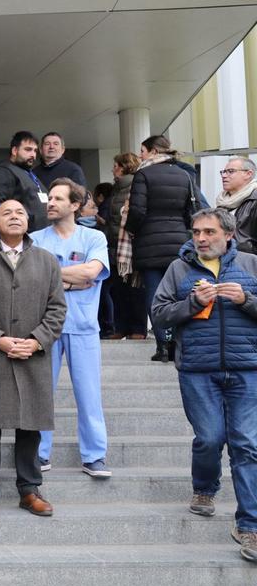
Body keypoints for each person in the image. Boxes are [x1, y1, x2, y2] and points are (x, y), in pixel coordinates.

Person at [151, 208, 257, 563]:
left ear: (228, 235)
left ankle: (249, 527)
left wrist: (247, 300)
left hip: (248, 368)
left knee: (246, 444)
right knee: (210, 438)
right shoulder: (179, 268)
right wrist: (194, 302)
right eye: (196, 232)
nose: (201, 238)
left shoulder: (250, 265)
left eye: (209, 232)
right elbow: (159, 313)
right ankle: (204, 488)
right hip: (197, 369)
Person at [0, 200, 66, 516]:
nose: (13, 217)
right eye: (6, 213)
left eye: (20, 212)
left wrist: (36, 342)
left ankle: (29, 488)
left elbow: (57, 309)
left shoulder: (47, 261)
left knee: (30, 424)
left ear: (28, 221)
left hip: (32, 355)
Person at [32, 179, 112, 478]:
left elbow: (93, 271)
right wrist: (68, 280)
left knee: (89, 394)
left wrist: (53, 277)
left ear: (75, 205)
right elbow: (31, 277)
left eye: (57, 198)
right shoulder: (36, 239)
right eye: (49, 198)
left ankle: (94, 456)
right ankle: (39, 453)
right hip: (44, 326)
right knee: (41, 393)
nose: (50, 203)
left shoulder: (94, 237)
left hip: (83, 325)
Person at [126, 135, 198, 362]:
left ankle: (163, 345)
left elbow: (137, 211)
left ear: (153, 152)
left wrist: (130, 230)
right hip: (178, 241)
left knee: (155, 294)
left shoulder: (143, 174)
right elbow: (191, 211)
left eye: (143, 151)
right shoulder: (184, 174)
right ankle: (177, 343)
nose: (140, 156)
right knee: (178, 293)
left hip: (149, 241)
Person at [106, 152, 147, 339]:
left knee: (131, 288)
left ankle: (135, 329)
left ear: (123, 167)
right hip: (119, 247)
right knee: (123, 289)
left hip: (126, 247)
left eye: (115, 166)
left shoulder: (131, 187)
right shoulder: (117, 189)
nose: (113, 169)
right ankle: (126, 328)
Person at [0, 130, 49, 231]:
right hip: (21, 237)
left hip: (41, 236)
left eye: (35, 151)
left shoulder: (27, 173)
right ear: (14, 151)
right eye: (28, 149)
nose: (33, 155)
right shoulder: (2, 172)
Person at [216, 156, 257, 253]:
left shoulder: (254, 200)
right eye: (224, 172)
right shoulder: (222, 202)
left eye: (230, 171)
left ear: (248, 174)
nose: (224, 176)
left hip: (248, 261)